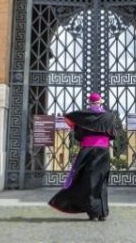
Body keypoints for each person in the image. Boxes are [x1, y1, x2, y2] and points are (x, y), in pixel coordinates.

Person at [49, 92, 117, 221]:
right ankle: (102, 212)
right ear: (101, 102)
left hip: (87, 151)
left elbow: (76, 131)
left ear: (89, 103)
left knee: (87, 180)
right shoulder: (109, 116)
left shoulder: (83, 116)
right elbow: (113, 135)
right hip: (103, 152)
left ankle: (93, 213)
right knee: (101, 181)